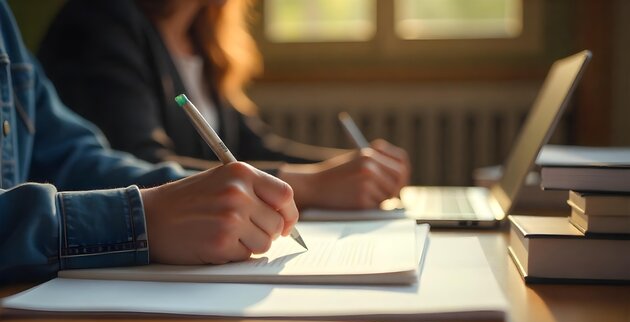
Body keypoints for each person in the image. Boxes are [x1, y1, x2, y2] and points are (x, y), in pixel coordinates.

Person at [0, 0, 299, 284]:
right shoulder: (103, 21)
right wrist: (141, 219)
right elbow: (138, 154)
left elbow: (75, 159)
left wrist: (166, 201)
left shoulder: (5, 25)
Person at [38, 0, 411, 210]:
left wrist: (347, 169)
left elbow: (252, 147)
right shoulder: (100, 22)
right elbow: (136, 166)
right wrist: (311, 185)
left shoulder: (202, 39)